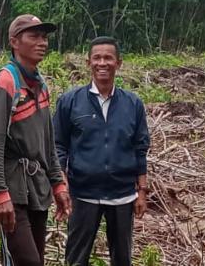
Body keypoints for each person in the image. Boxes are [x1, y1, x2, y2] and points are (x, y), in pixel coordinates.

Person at [0, 14, 72, 266]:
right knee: (27, 261)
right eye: (34, 36)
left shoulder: (40, 83)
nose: (42, 42)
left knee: (36, 259)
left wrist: (58, 184)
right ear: (14, 42)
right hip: (13, 190)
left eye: (44, 37)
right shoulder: (5, 82)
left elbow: (48, 141)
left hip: (37, 189)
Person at [53, 36, 150, 266]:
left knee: (122, 258)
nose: (102, 63)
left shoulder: (132, 103)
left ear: (119, 63)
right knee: (76, 258)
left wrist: (142, 191)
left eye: (108, 58)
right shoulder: (70, 101)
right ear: (88, 63)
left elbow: (140, 148)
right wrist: (62, 183)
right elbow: (58, 145)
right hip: (83, 193)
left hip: (123, 195)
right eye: (97, 58)